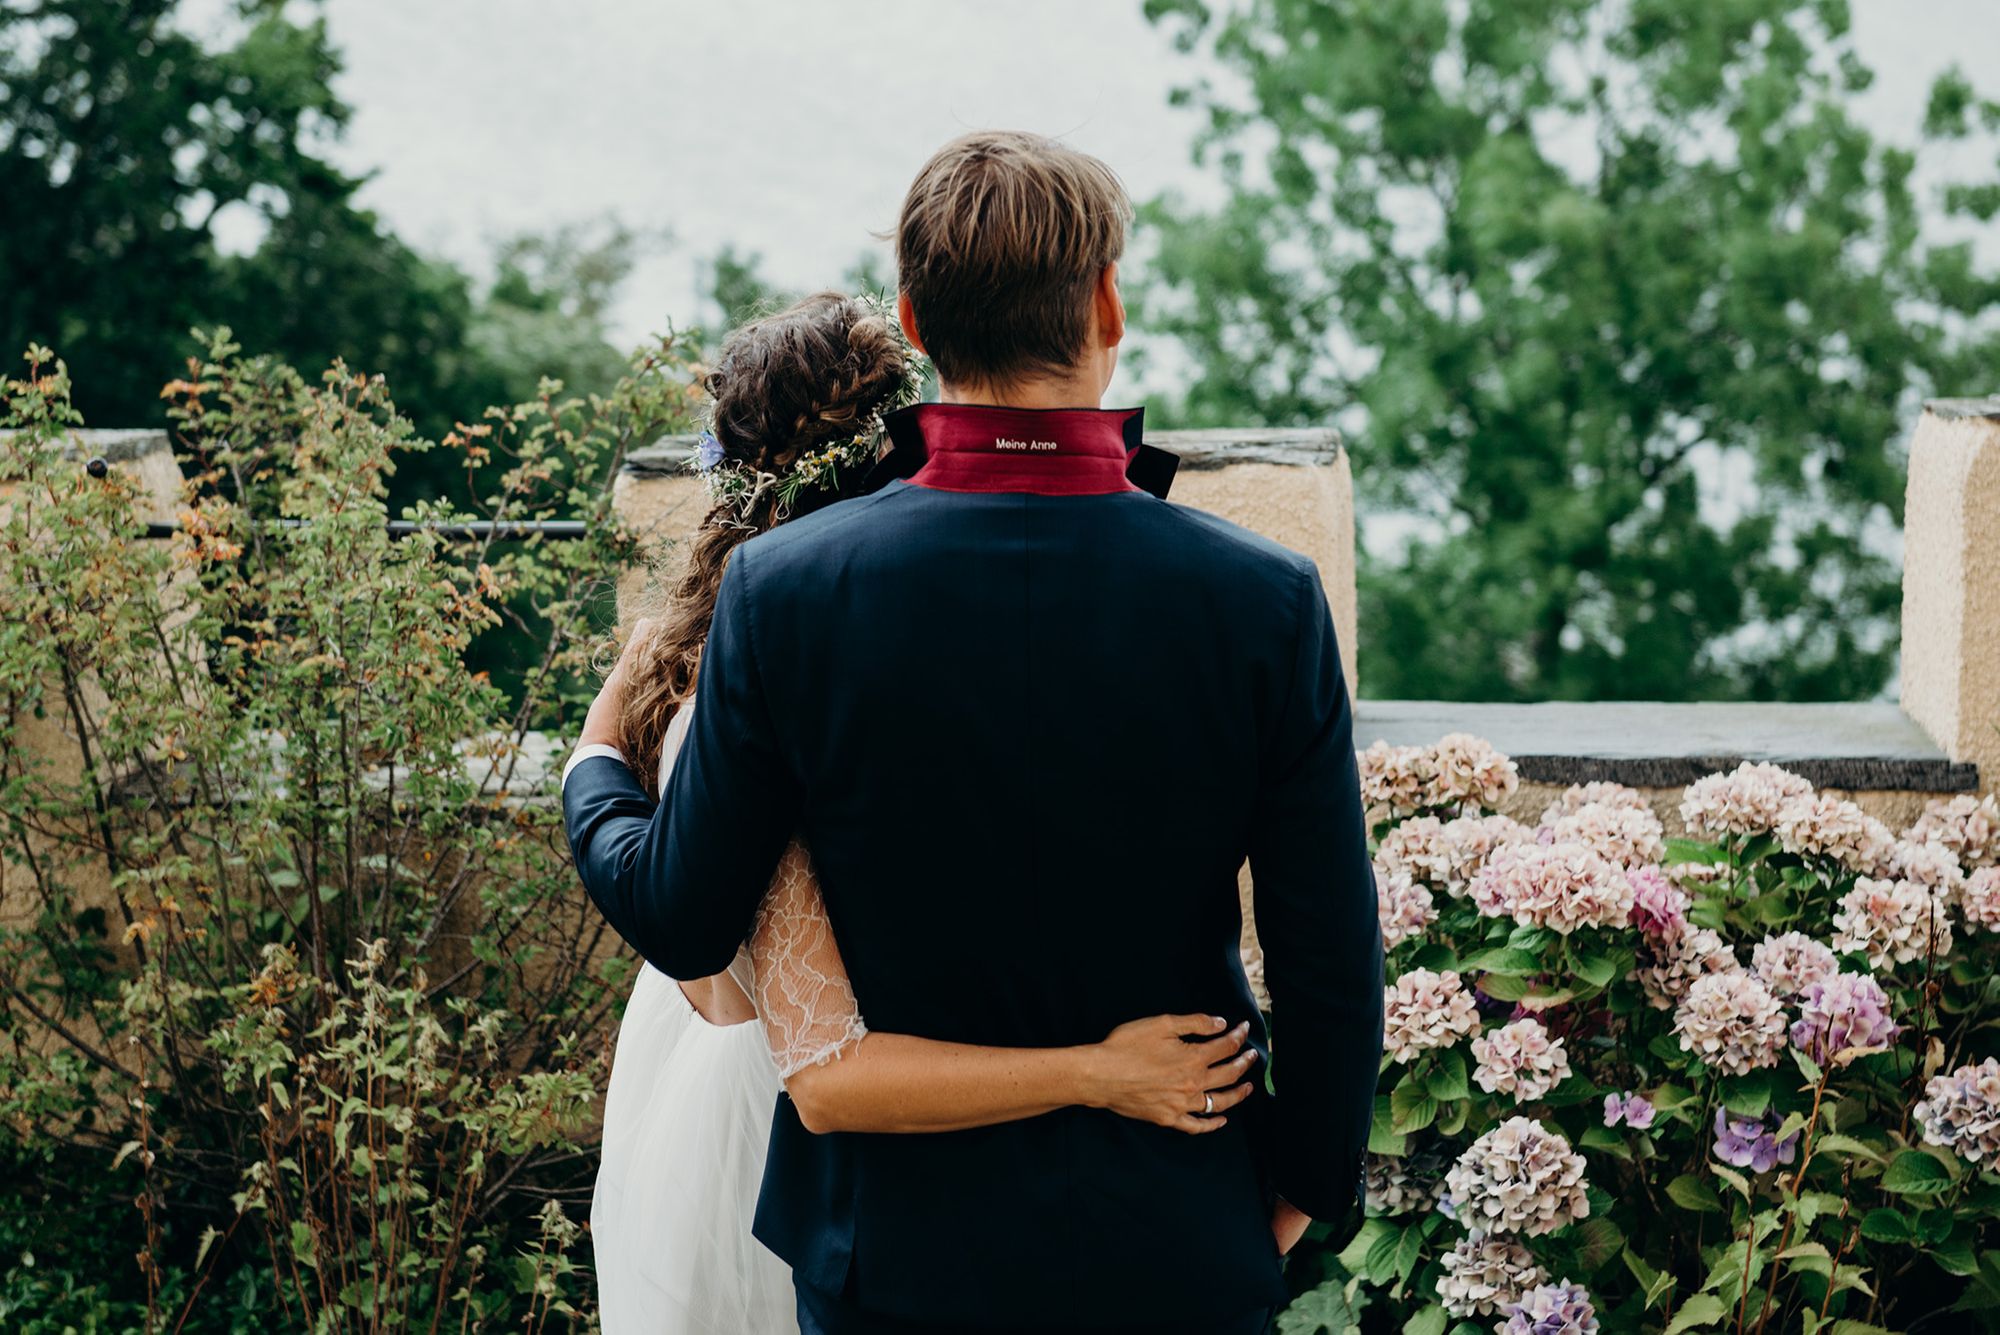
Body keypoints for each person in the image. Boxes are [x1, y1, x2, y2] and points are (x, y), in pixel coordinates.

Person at [566, 130, 1382, 1334]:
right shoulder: (1261, 600)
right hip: (1172, 1235)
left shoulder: (786, 592)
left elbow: (684, 914)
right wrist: (1293, 1193)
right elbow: (1326, 949)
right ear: (1106, 304)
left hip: (889, 1261)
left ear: (915, 317)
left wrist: (593, 778)